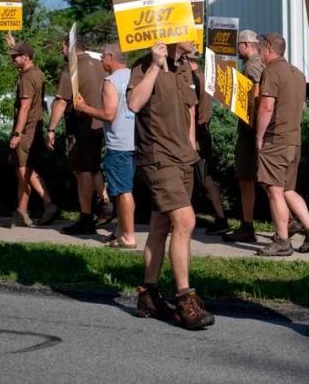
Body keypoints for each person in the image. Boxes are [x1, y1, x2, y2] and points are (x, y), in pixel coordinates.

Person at [127, 40, 213, 330]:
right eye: (188, 28)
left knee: (161, 226)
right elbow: (134, 103)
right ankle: (185, 299)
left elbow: (189, 113)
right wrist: (154, 63)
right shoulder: (143, 64)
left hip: (183, 159)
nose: (194, 34)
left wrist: (192, 152)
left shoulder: (185, 68)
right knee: (185, 222)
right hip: (158, 158)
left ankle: (148, 295)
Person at [254, 33, 309, 256]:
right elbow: (302, 107)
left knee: (274, 191)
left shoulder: (271, 72)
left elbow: (266, 108)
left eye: (259, 49)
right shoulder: (298, 74)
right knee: (288, 189)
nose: (258, 53)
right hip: (294, 140)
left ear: (268, 49)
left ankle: (282, 241)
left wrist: (259, 137)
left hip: (275, 139)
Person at [74, 43, 137, 248]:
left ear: (111, 57)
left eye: (103, 56)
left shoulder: (110, 81)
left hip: (119, 143)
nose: (101, 60)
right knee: (122, 189)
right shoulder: (134, 77)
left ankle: (128, 236)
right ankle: (120, 230)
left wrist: (84, 107)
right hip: (135, 141)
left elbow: (109, 115)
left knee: (123, 191)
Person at [47, 35, 109, 235]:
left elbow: (61, 102)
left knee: (82, 172)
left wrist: (51, 129)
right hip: (99, 126)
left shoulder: (72, 69)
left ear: (71, 48)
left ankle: (86, 218)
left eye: (62, 47)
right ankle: (106, 202)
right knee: (92, 168)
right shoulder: (100, 64)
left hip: (80, 128)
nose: (61, 51)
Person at [8, 41, 58, 228]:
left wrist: (17, 133)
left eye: (15, 56)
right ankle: (21, 211)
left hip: (26, 131)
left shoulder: (27, 78)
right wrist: (14, 43)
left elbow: (25, 107)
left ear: (26, 57)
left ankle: (49, 204)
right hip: (35, 129)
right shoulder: (37, 74)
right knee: (23, 169)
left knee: (25, 172)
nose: (13, 59)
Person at [223, 29, 264, 243]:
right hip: (257, 129)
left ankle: (247, 226)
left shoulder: (252, 65)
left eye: (238, 45)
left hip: (250, 131)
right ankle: (290, 221)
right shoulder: (260, 63)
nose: (236, 49)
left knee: (246, 177)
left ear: (246, 45)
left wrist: (249, 115)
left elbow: (256, 94)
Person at [189, 56, 229, 235]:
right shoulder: (203, 76)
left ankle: (221, 219)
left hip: (196, 134)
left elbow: (192, 111)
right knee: (206, 178)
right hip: (203, 132)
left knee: (204, 179)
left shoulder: (193, 79)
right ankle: (220, 219)